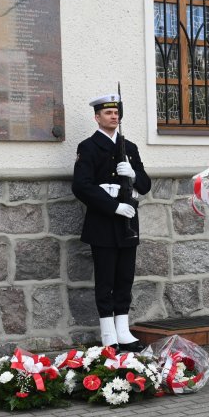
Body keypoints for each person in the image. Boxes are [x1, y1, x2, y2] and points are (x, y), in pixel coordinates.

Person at [72, 93, 150, 352]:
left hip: (128, 223)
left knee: (124, 279)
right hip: (104, 223)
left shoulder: (130, 148)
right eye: (108, 113)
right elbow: (81, 187)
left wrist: (134, 174)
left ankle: (124, 331)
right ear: (97, 117)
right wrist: (113, 205)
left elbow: (146, 185)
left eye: (116, 112)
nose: (114, 116)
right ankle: (108, 334)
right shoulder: (89, 147)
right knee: (105, 281)